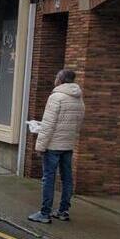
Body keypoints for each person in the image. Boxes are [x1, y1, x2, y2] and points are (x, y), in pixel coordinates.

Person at [28, 69, 85, 224]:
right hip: (68, 144)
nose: (54, 79)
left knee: (48, 178)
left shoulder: (56, 97)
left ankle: (45, 213)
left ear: (60, 79)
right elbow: (78, 122)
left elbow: (48, 125)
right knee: (67, 178)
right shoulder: (78, 98)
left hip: (53, 145)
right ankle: (63, 211)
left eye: (56, 76)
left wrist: (40, 146)